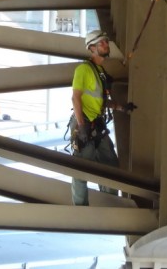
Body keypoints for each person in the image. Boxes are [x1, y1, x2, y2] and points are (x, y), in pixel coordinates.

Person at [70, 29, 135, 206]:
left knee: (111, 167)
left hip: (96, 126)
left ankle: (109, 205)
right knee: (81, 170)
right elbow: (75, 98)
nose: (106, 45)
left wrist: (122, 107)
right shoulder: (84, 69)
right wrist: (82, 126)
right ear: (92, 48)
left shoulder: (99, 71)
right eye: (102, 43)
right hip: (85, 125)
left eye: (106, 42)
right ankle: (80, 208)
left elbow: (102, 101)